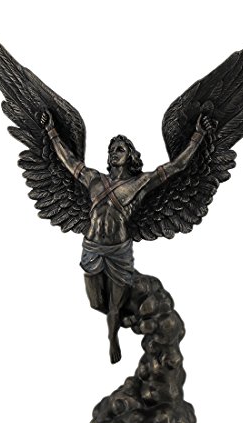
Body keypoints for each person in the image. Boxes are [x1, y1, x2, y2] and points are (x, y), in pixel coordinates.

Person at [41, 111, 206, 363]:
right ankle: (125, 312)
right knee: (96, 302)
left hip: (119, 251)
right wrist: (52, 132)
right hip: (92, 247)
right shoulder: (94, 179)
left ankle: (113, 338)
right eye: (111, 150)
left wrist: (198, 136)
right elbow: (69, 161)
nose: (113, 153)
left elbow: (177, 166)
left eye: (119, 149)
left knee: (115, 306)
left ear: (130, 155)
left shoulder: (141, 182)